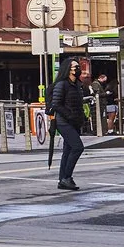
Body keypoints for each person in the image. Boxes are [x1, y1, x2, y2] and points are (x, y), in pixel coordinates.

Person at [48, 56, 90, 190]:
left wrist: (82, 117)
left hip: (74, 121)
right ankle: (67, 177)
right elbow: (56, 104)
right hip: (64, 122)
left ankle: (63, 180)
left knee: (68, 150)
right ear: (68, 69)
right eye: (75, 67)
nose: (78, 69)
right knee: (78, 147)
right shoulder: (62, 84)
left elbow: (78, 103)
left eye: (78, 67)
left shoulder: (77, 85)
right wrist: (69, 115)